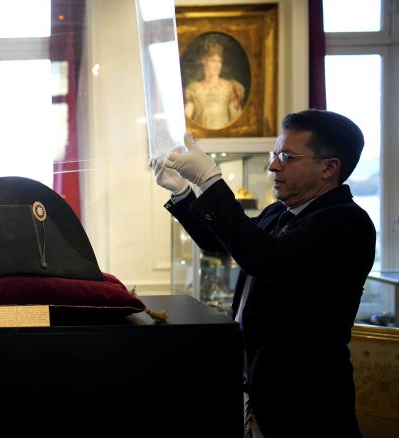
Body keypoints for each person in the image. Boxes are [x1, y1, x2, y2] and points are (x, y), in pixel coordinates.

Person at [153, 109, 375, 437]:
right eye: (274, 154)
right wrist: (183, 195)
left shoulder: (346, 223)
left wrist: (210, 180)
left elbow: (266, 258)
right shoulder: (279, 211)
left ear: (329, 167)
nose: (273, 165)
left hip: (306, 400)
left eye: (287, 156)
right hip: (260, 383)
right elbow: (222, 244)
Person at [183, 38, 245, 130]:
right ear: (204, 61)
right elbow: (187, 119)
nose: (217, 65)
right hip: (201, 139)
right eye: (213, 61)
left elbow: (236, 121)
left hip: (225, 139)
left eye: (219, 61)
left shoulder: (230, 87)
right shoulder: (194, 89)